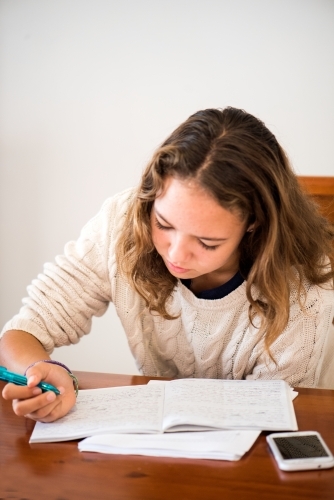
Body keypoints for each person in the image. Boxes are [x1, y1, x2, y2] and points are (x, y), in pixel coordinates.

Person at [1, 107, 334, 423]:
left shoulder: (304, 286)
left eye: (207, 243)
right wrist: (39, 371)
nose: (176, 254)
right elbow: (25, 329)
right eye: (163, 224)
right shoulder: (122, 221)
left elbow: (268, 414)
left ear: (254, 223)